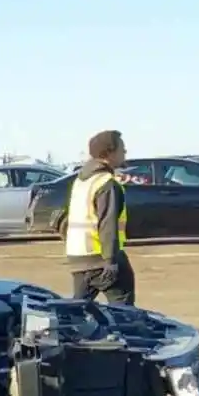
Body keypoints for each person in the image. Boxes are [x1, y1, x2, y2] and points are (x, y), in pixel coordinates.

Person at [65, 128, 134, 305]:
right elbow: (107, 224)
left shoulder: (82, 180)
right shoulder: (106, 184)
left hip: (79, 258)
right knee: (123, 309)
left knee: (78, 310)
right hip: (101, 259)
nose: (125, 152)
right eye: (122, 149)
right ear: (109, 153)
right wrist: (110, 261)